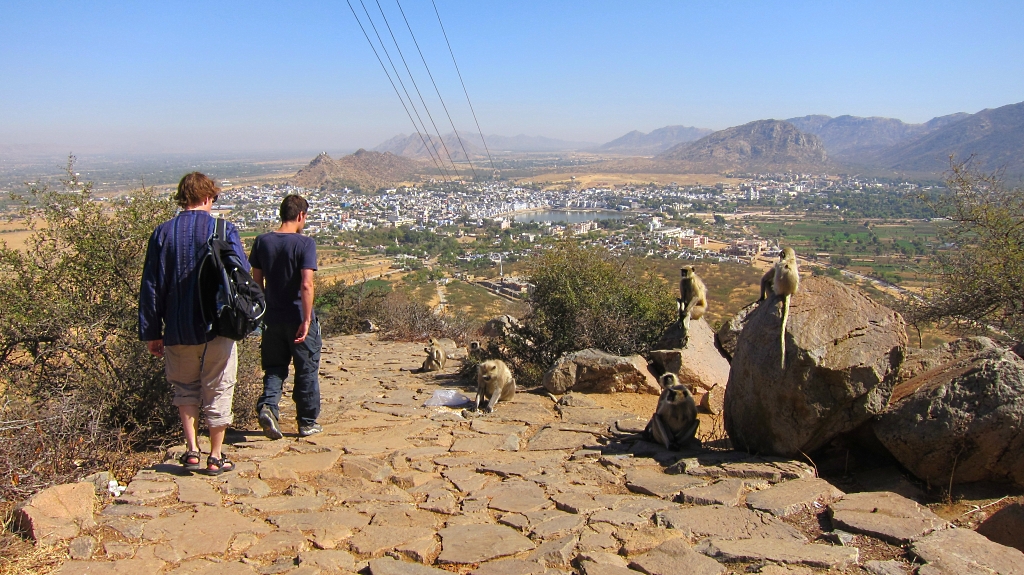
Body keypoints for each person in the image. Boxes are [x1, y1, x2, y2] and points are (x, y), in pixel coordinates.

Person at [139, 172, 246, 475]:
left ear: (183, 198)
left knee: (185, 387)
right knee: (219, 386)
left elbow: (151, 285)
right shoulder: (223, 229)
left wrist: (152, 331)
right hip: (218, 325)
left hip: (177, 326)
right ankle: (216, 455)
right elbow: (242, 273)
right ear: (208, 197)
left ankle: (191, 450)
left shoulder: (162, 233)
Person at [249, 194, 322, 438]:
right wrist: (307, 318)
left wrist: (263, 310)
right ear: (300, 215)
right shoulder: (304, 244)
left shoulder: (262, 242)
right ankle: (307, 421)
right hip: (297, 316)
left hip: (272, 317)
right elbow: (307, 284)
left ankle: (269, 407)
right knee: (306, 368)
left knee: (274, 368)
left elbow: (256, 281)